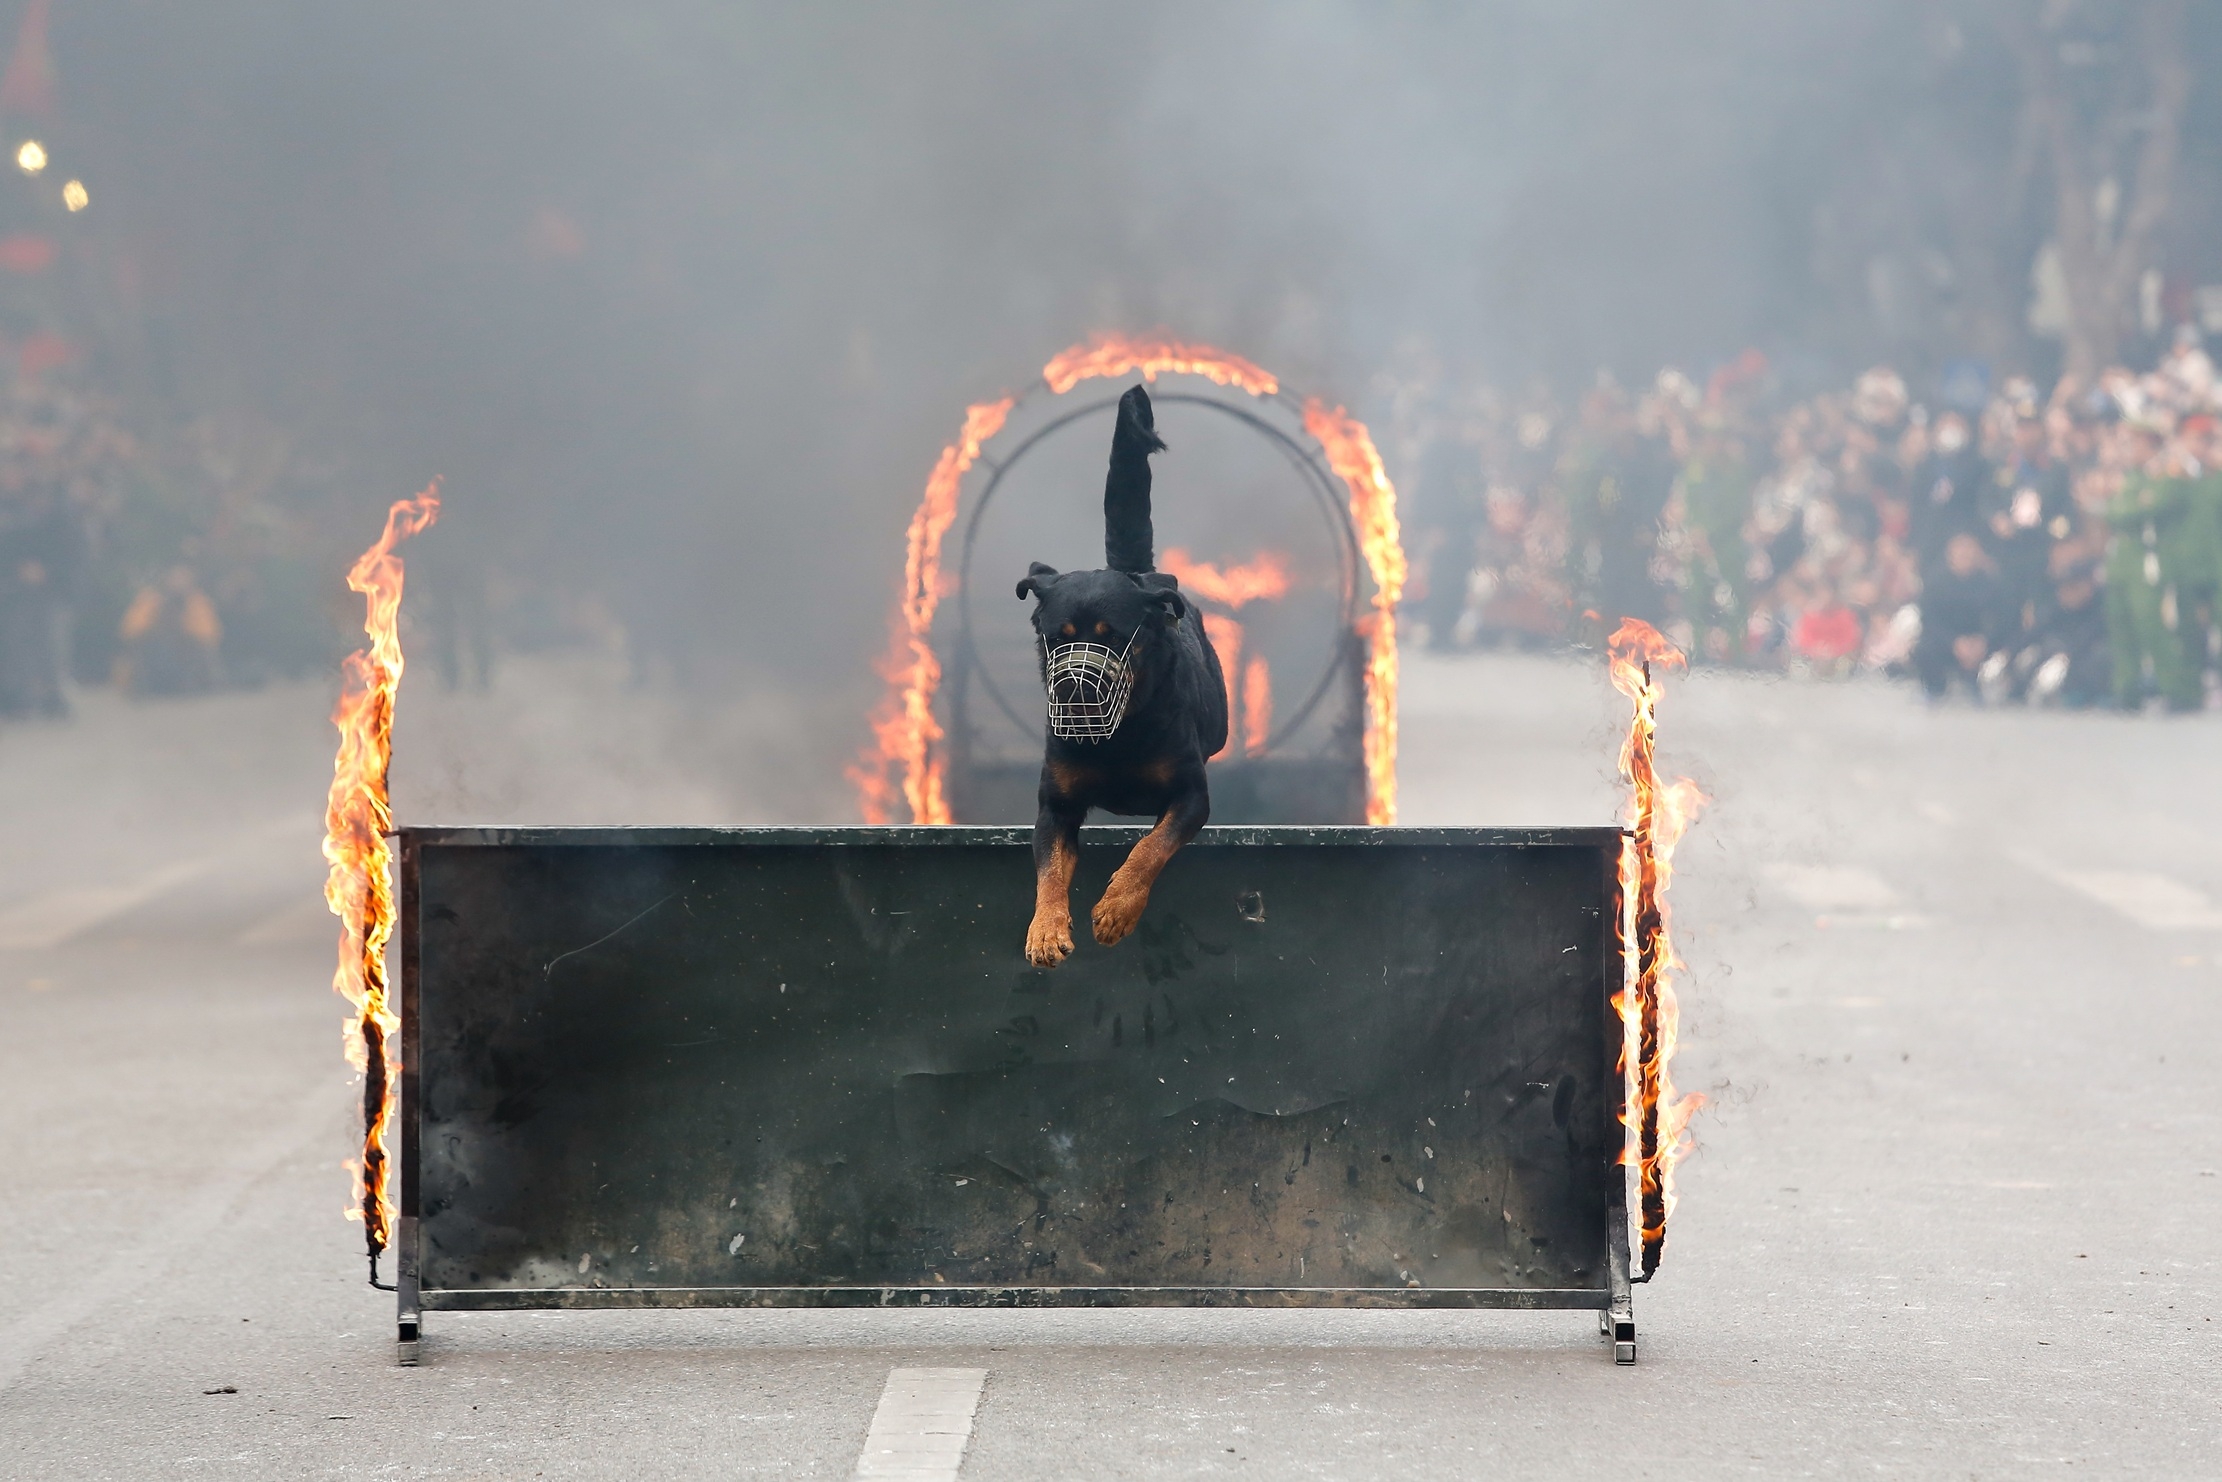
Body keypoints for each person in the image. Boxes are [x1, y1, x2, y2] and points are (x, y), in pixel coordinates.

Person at [1913, 531, 2004, 701]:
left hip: (1981, 642)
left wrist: (1984, 640)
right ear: (1950, 553)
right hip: (1947, 641)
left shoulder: (1990, 582)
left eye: (1969, 549)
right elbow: (1929, 620)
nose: (1965, 554)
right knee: (1924, 647)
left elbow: (2000, 618)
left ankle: (1979, 684)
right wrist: (1954, 642)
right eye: (1960, 549)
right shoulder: (1936, 582)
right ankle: (1935, 686)